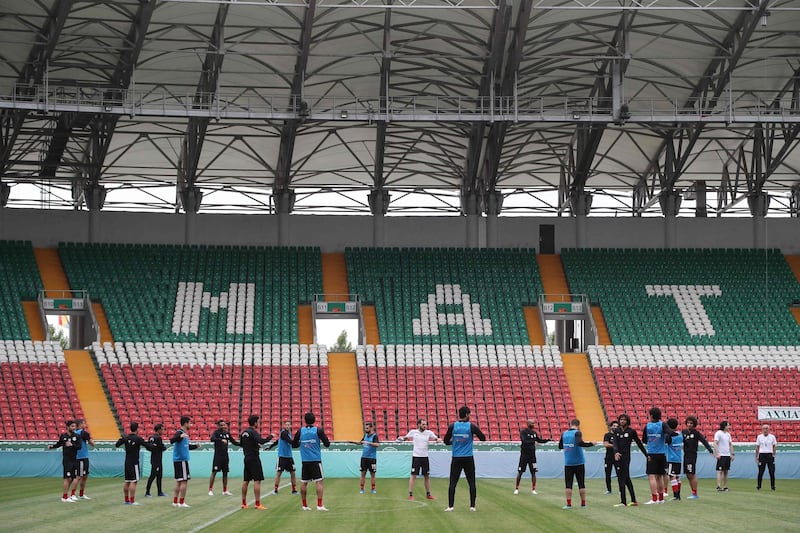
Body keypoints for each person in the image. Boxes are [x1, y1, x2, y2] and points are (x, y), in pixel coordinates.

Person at [443, 405, 486, 512]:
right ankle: (472, 506)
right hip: (468, 458)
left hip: (456, 457)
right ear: (467, 415)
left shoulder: (453, 426)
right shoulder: (471, 426)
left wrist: (454, 442)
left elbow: (445, 441)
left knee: (453, 482)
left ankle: (450, 506)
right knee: (471, 482)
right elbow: (483, 438)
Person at [292, 411, 331, 511]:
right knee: (319, 482)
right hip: (316, 460)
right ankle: (319, 505)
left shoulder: (300, 431)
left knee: (304, 482)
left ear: (305, 421)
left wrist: (302, 443)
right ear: (314, 420)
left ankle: (304, 505)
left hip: (305, 461)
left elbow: (294, 444)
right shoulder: (318, 430)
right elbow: (327, 444)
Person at [397, 418, 440, 501]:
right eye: (423, 424)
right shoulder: (413, 432)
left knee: (426, 476)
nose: (425, 426)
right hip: (416, 457)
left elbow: (435, 438)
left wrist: (437, 440)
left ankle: (428, 494)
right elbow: (406, 438)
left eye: (425, 424)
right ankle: (410, 494)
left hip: (425, 457)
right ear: (419, 424)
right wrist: (401, 438)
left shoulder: (429, 432)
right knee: (413, 475)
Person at [642, 406, 678, 504]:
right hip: (662, 454)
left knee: (651, 476)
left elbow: (644, 440)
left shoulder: (647, 426)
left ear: (651, 415)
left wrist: (651, 441)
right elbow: (669, 432)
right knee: (660, 477)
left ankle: (654, 498)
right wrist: (675, 434)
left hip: (652, 454)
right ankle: (661, 498)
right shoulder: (663, 424)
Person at [558, 418, 595, 510]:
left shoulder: (564, 433)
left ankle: (568, 504)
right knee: (581, 483)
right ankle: (583, 503)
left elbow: (560, 446)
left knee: (568, 484)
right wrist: (591, 444)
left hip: (568, 462)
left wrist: (568, 446)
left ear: (570, 424)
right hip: (579, 462)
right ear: (578, 425)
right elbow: (579, 443)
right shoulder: (577, 433)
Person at [239, 414, 274, 510]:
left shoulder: (243, 433)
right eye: (258, 422)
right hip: (254, 458)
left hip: (246, 458)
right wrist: (270, 436)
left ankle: (244, 503)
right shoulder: (253, 432)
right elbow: (261, 441)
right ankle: (258, 504)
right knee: (257, 481)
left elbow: (242, 444)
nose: (258, 423)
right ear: (255, 423)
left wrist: (253, 445)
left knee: (245, 481)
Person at [612, 413, 647, 507]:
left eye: (624, 419)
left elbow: (639, 443)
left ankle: (623, 502)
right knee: (626, 478)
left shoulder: (631, 431)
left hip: (626, 457)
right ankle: (633, 500)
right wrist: (616, 452)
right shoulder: (616, 431)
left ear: (627, 421)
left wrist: (646, 454)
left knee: (621, 478)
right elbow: (614, 442)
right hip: (617, 456)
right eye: (621, 419)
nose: (622, 421)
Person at [115, 422, 152, 505]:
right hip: (134, 462)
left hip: (127, 462)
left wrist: (121, 439)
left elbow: (117, 445)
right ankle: (132, 500)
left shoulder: (125, 438)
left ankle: (126, 500)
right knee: (134, 481)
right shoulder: (138, 439)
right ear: (137, 429)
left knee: (127, 481)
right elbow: (148, 446)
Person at [47, 419, 82, 502]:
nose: (74, 428)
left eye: (75, 426)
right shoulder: (63, 436)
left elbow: (79, 446)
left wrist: (72, 445)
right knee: (67, 478)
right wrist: (51, 447)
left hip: (74, 459)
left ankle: (67, 496)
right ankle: (64, 497)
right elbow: (59, 444)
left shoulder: (77, 436)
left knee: (73, 478)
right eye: (72, 426)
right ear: (68, 427)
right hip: (67, 460)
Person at [514, 419, 550, 495]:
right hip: (524, 455)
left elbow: (539, 440)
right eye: (532, 423)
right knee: (520, 472)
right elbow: (524, 441)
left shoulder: (534, 433)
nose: (533, 424)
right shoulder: (523, 432)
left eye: (534, 423)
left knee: (533, 472)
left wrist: (547, 440)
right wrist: (533, 442)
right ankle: (516, 488)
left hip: (532, 455)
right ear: (528, 424)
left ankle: (533, 489)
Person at [171, 415, 201, 508]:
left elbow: (187, 447)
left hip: (178, 460)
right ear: (185, 423)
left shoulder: (184, 434)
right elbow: (172, 440)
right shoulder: (180, 432)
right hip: (181, 460)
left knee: (179, 482)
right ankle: (181, 502)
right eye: (189, 423)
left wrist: (195, 446)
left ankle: (175, 502)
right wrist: (180, 436)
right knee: (184, 481)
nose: (190, 424)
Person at [681, 415, 714, 499]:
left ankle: (695, 493)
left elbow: (704, 441)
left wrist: (710, 450)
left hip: (692, 455)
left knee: (692, 474)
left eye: (691, 423)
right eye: (688, 423)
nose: (689, 424)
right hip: (686, 455)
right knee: (688, 475)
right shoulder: (683, 432)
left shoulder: (696, 433)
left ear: (694, 424)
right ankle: (693, 492)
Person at [209, 419, 240, 496]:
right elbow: (212, 439)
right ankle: (210, 490)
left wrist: (244, 444)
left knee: (225, 473)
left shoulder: (227, 434)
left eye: (224, 425)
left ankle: (225, 490)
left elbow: (234, 442)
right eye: (221, 425)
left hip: (225, 456)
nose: (223, 426)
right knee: (214, 472)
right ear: (218, 426)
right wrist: (221, 440)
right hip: (217, 456)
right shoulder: (216, 433)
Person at [267, 420, 298, 495]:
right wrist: (298, 443)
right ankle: (275, 490)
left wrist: (270, 447)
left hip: (289, 456)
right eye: (286, 425)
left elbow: (277, 441)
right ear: (284, 426)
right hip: (282, 456)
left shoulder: (288, 434)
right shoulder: (284, 433)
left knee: (293, 473)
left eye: (289, 425)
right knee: (279, 473)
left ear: (290, 426)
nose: (287, 426)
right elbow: (289, 441)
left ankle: (294, 490)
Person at [351, 421, 380, 494]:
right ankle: (362, 489)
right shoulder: (365, 435)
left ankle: (373, 489)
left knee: (372, 474)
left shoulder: (374, 436)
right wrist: (352, 442)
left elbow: (377, 444)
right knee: (363, 473)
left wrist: (369, 443)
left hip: (372, 458)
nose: (366, 429)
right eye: (365, 428)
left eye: (367, 428)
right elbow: (360, 442)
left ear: (371, 428)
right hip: (364, 458)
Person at [145, 423, 168, 497]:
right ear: (159, 430)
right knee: (153, 476)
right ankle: (147, 492)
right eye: (162, 429)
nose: (163, 431)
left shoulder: (151, 437)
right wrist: (163, 447)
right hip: (157, 460)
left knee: (159, 475)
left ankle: (160, 492)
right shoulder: (158, 438)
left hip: (154, 458)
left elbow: (148, 447)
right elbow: (162, 447)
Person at [74, 419, 94, 500]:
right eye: (84, 423)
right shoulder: (83, 433)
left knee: (84, 476)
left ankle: (81, 494)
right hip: (82, 457)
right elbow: (92, 444)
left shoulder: (74, 433)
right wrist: (90, 439)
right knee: (78, 476)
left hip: (79, 456)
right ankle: (73, 494)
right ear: (80, 424)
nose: (85, 424)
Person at [713, 420, 734, 492]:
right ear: (724, 426)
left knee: (726, 471)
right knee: (720, 471)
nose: (729, 427)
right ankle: (718, 486)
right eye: (728, 425)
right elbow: (715, 443)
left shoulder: (728, 434)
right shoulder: (718, 433)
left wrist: (732, 454)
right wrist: (717, 453)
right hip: (721, 455)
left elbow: (730, 444)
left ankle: (725, 486)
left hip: (727, 455)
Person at [755, 423, 777, 491]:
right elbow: (757, 447)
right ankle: (759, 486)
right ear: (762, 429)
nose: (765, 430)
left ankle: (773, 486)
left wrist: (773, 454)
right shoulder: (759, 437)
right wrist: (756, 456)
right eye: (764, 428)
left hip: (770, 455)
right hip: (762, 455)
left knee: (772, 471)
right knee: (761, 471)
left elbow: (774, 446)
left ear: (769, 429)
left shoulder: (772, 437)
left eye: (767, 428)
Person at [665, 418, 683, 500]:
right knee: (677, 477)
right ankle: (678, 495)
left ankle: (676, 496)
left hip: (671, 459)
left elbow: (665, 442)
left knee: (672, 476)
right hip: (679, 459)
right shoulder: (680, 434)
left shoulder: (669, 436)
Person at [602, 420, 619, 495]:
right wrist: (615, 445)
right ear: (611, 426)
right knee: (607, 474)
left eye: (617, 426)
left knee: (619, 474)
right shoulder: (607, 435)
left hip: (617, 457)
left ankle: (621, 490)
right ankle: (609, 490)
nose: (615, 427)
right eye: (614, 426)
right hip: (608, 457)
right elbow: (606, 444)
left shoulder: (619, 435)